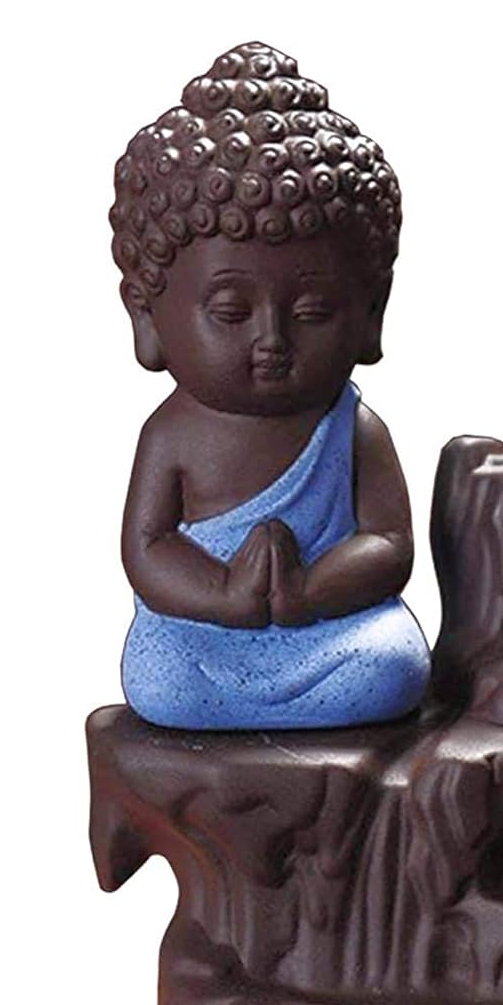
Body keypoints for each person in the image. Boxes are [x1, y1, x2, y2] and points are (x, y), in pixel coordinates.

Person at [109, 43, 430, 729]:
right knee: (161, 678)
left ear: (371, 313)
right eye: (231, 313)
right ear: (148, 316)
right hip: (204, 633)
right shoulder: (172, 434)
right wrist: (222, 593)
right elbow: (148, 549)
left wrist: (314, 590)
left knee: (394, 664)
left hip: (327, 631)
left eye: (312, 312)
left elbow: (389, 543)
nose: (273, 340)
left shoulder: (353, 428)